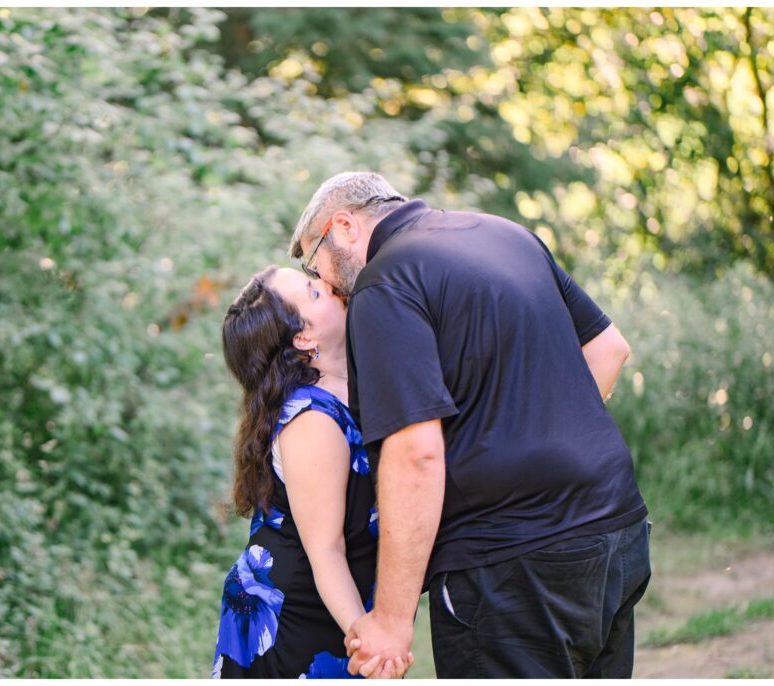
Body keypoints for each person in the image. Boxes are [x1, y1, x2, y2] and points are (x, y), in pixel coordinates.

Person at [288, 172, 651, 679]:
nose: (323, 282)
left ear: (344, 226)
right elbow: (608, 349)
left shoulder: (384, 283)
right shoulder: (504, 233)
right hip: (617, 531)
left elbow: (416, 453)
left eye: (313, 260)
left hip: (510, 561)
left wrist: (392, 621)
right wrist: (538, 426)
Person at [212, 265, 413, 679]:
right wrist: (369, 642)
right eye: (313, 291)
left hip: (335, 604)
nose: (326, 282)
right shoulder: (311, 418)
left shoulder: (358, 383)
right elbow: (326, 551)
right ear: (303, 338)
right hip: (293, 617)